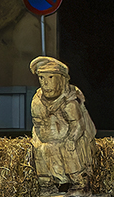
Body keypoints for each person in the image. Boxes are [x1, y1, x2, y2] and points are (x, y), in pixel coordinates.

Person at [30, 55, 96, 190]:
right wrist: (38, 139)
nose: (45, 83)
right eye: (41, 78)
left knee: (69, 149)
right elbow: (37, 124)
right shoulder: (37, 100)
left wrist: (71, 139)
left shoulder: (68, 102)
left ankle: (79, 183)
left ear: (61, 80)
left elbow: (78, 125)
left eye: (50, 77)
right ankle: (46, 185)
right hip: (47, 140)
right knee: (40, 150)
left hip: (67, 139)